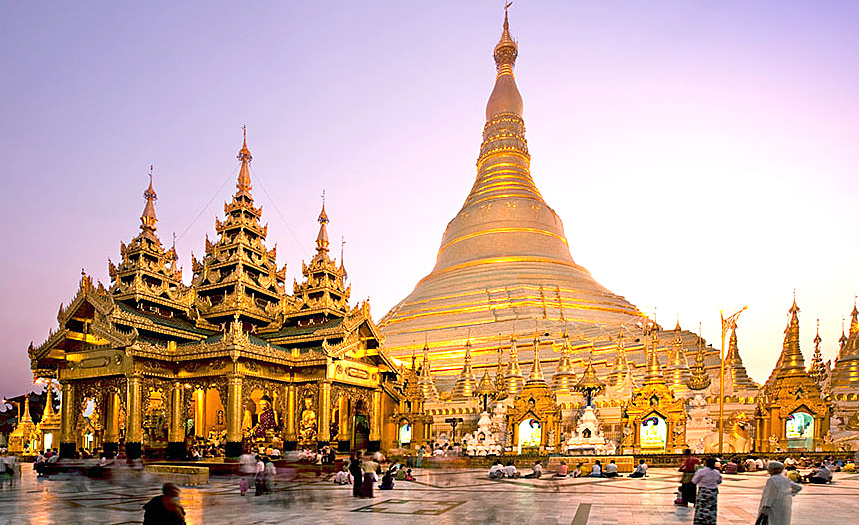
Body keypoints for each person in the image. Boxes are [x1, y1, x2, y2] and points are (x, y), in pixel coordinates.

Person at [759, 461, 802, 525]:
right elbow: (798, 487)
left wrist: (766, 506)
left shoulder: (772, 480)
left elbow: (771, 494)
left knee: (773, 521)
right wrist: (789, 493)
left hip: (774, 505)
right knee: (783, 521)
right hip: (785, 504)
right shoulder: (785, 479)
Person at [691, 457, 722, 525]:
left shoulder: (701, 471)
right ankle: (710, 521)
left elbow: (694, 481)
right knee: (711, 507)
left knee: (701, 507)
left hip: (703, 491)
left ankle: (700, 521)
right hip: (713, 492)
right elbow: (719, 481)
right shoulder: (716, 472)